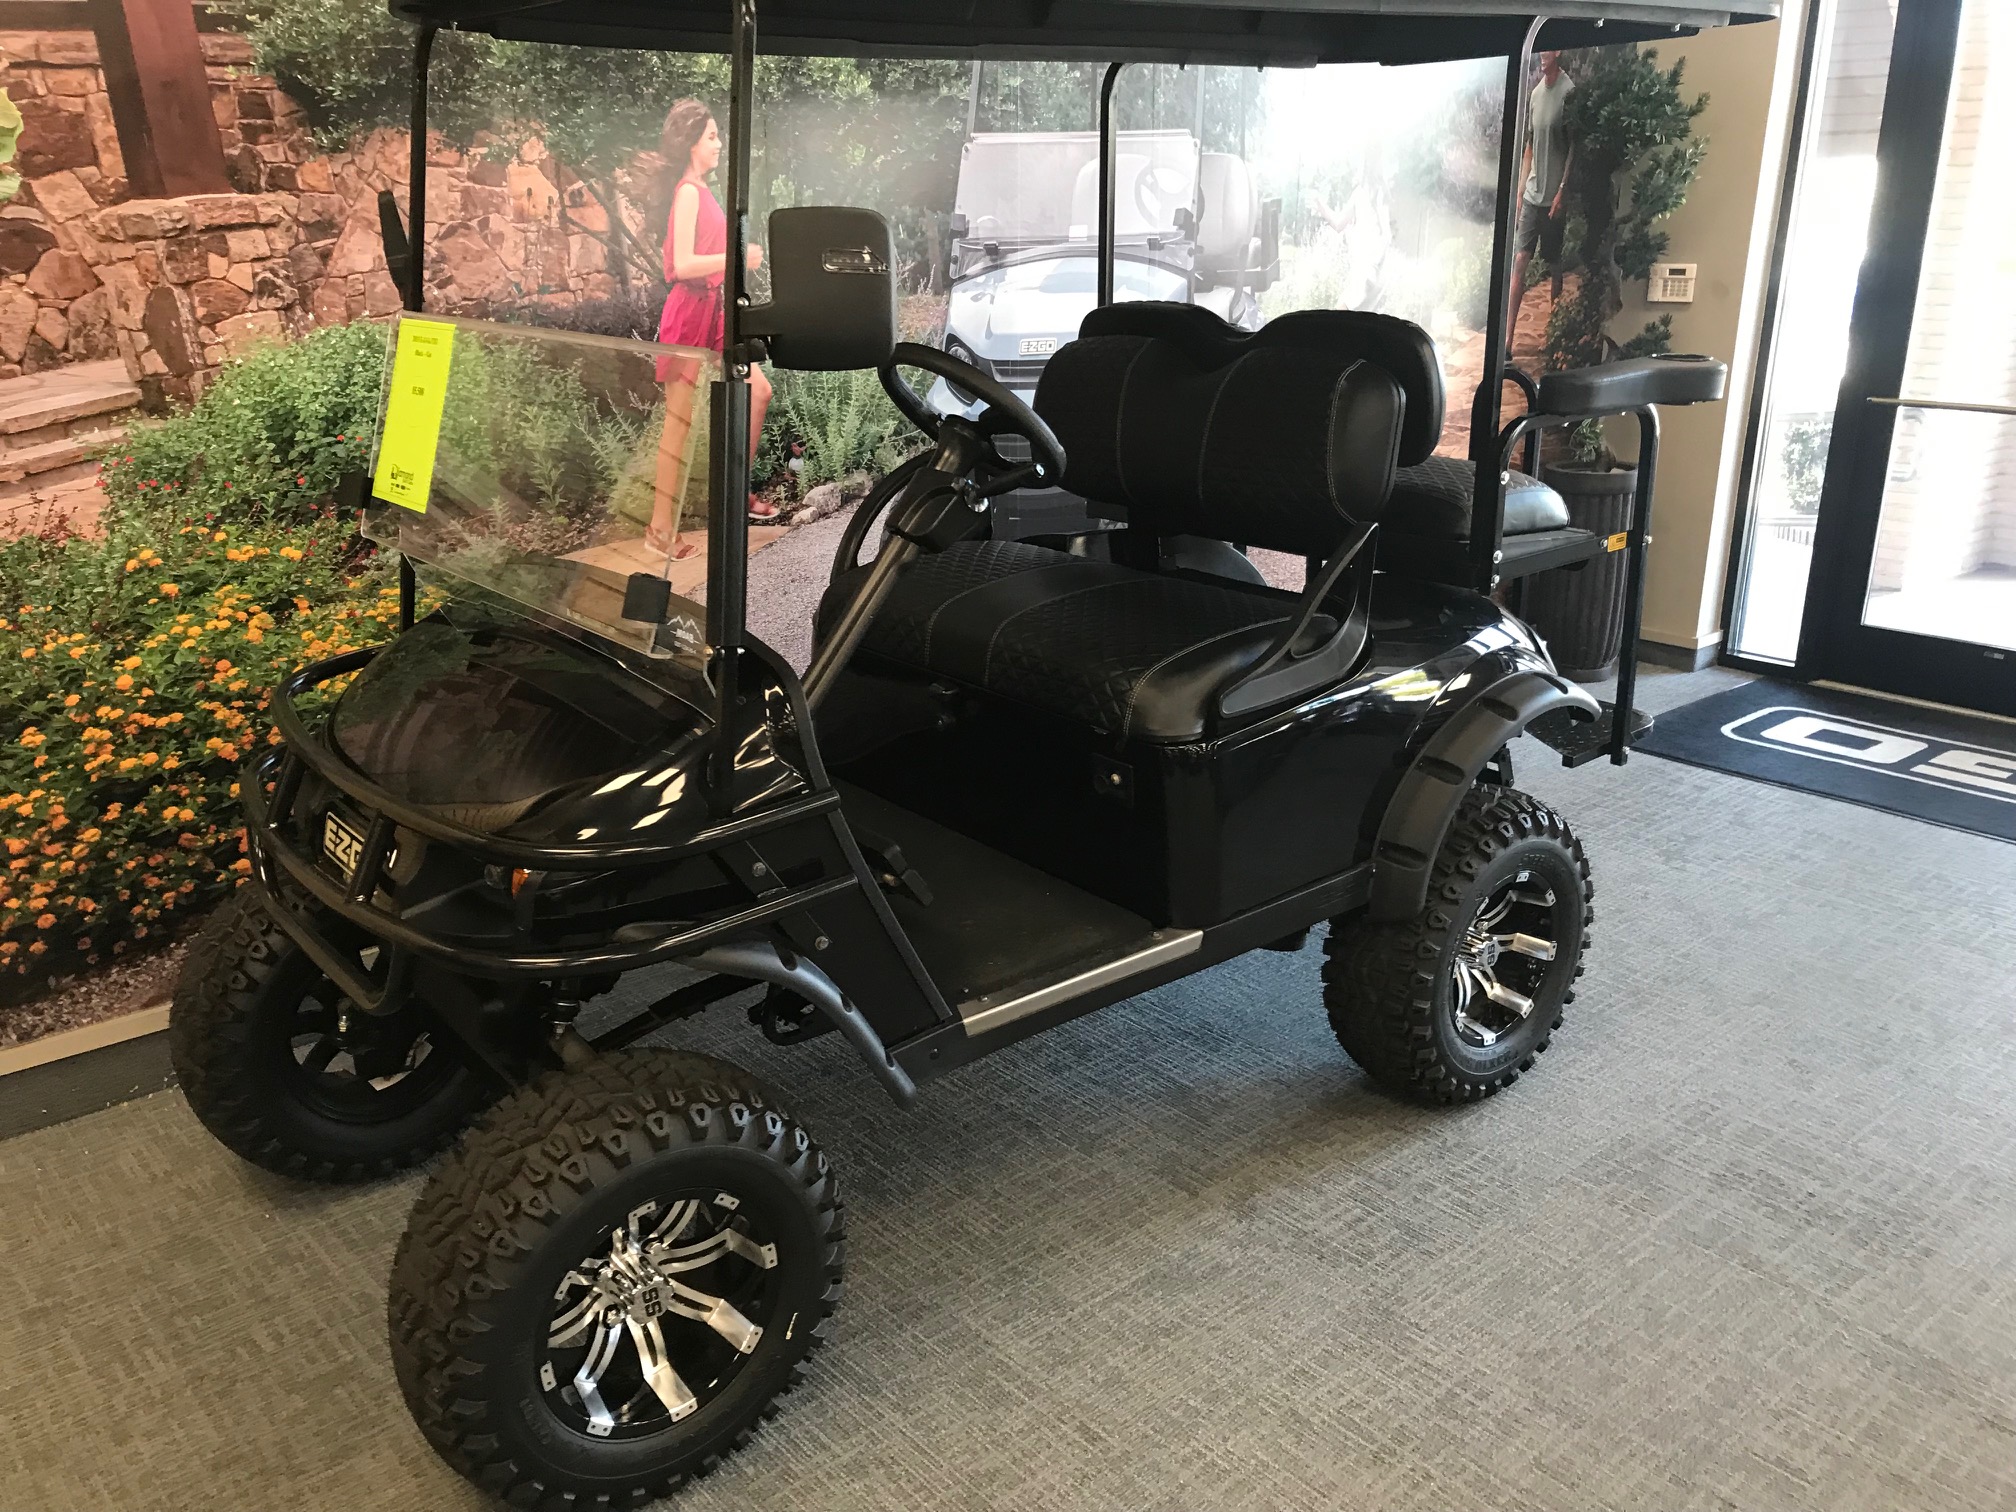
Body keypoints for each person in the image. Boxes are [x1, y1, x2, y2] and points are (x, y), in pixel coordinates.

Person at [648, 98, 776, 561]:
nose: (719, 144)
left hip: (715, 309)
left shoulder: (702, 189)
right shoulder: (688, 191)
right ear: (691, 144)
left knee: (758, 392)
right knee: (678, 424)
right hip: (689, 310)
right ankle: (660, 529)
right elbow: (682, 265)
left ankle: (734, 495)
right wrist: (737, 257)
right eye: (712, 137)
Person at [1506, 50, 1576, 336]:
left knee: (1554, 265)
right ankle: (1507, 340)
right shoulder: (1535, 95)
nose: (1542, 56)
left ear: (1558, 53)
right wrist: (1521, 189)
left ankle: (1552, 333)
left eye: (1548, 50)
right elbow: (1530, 145)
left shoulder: (1569, 92)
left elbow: (1573, 148)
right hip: (1533, 197)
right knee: (1520, 261)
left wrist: (1562, 191)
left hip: (1554, 199)